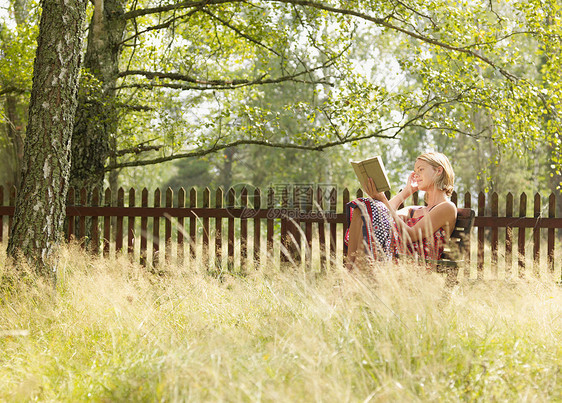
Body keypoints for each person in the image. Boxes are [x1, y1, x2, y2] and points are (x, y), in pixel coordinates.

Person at [344, 152, 457, 270]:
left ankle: (356, 273)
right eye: (415, 171)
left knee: (370, 206)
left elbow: (411, 235)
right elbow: (384, 215)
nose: (416, 174)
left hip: (415, 262)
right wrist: (407, 191)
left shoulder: (447, 207)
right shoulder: (413, 210)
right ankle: (350, 270)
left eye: (421, 169)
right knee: (363, 206)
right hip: (397, 255)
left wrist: (383, 199)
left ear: (438, 171)